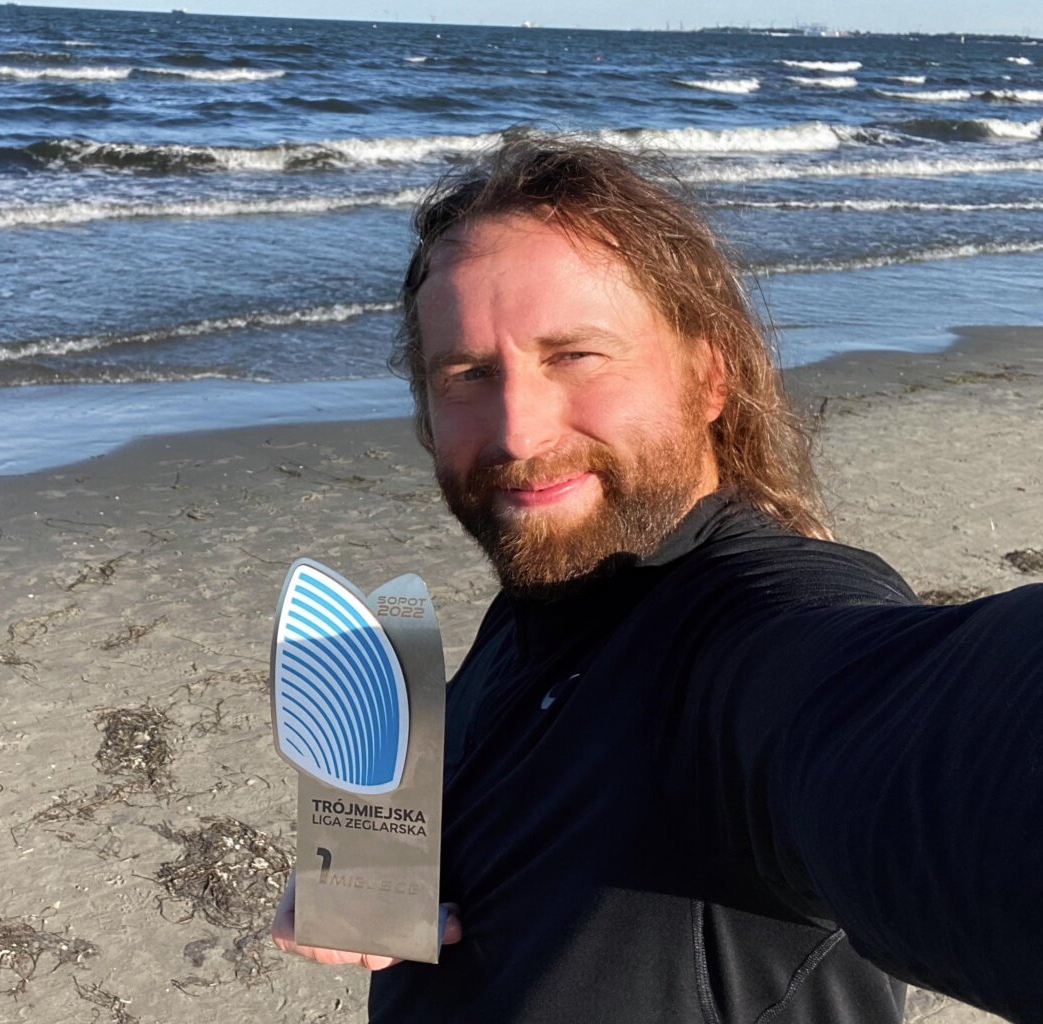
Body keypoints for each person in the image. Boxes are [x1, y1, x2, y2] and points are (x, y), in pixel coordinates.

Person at [273, 135, 1043, 1024]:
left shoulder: (746, 638)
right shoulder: (538, 613)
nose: (519, 431)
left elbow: (924, 743)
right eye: (469, 374)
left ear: (710, 377)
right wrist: (369, 869)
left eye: (576, 356)